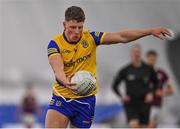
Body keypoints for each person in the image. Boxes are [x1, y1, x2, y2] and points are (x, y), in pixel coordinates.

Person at [45, 6, 171, 128]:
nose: (77, 32)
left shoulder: (91, 37)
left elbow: (121, 37)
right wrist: (65, 81)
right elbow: (58, 69)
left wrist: (149, 31)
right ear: (64, 25)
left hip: (86, 101)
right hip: (62, 98)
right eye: (73, 27)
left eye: (80, 27)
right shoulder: (55, 44)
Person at [112, 45, 159, 128]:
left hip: (144, 103)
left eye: (137, 52)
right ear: (131, 54)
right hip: (131, 103)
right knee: (134, 125)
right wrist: (122, 96)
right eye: (134, 52)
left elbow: (156, 82)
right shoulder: (125, 70)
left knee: (144, 126)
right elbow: (114, 86)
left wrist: (151, 94)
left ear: (140, 53)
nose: (136, 54)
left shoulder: (148, 69)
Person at [146, 50, 174, 128]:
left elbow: (171, 90)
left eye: (153, 59)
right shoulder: (141, 73)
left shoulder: (161, 73)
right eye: (150, 59)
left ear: (156, 59)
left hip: (155, 105)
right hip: (142, 105)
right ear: (146, 59)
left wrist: (162, 93)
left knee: (151, 126)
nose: (152, 61)